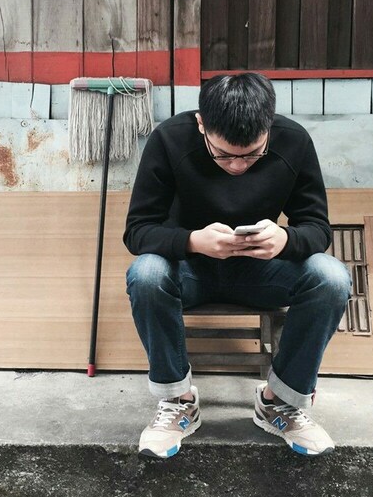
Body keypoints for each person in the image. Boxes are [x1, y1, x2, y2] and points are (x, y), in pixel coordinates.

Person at [123, 72, 351, 459]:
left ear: (269, 126)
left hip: (260, 272)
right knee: (146, 274)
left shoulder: (293, 141)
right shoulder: (170, 139)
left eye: (252, 154)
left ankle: (279, 402)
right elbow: (137, 232)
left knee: (331, 277)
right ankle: (178, 401)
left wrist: (285, 239)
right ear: (201, 124)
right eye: (223, 154)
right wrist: (192, 241)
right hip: (190, 272)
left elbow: (317, 228)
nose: (238, 166)